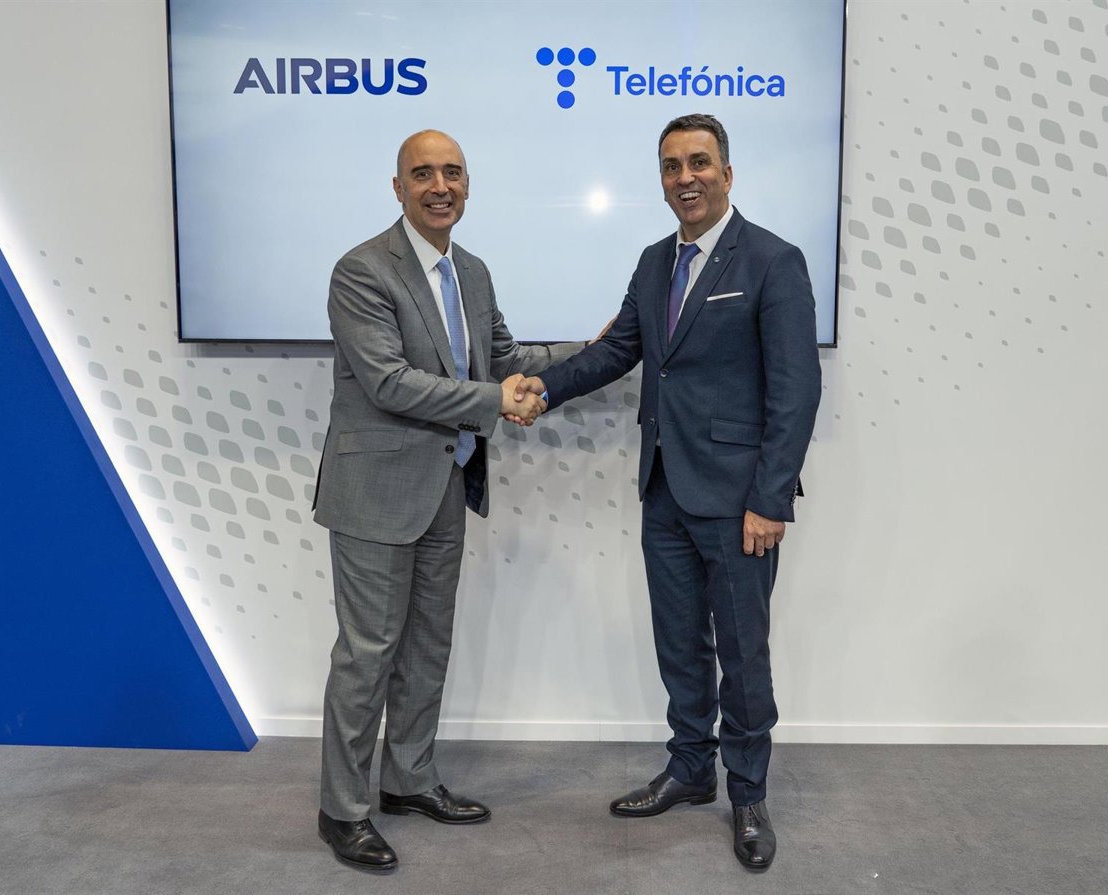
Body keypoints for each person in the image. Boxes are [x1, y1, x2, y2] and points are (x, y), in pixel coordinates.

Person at [516, 114, 821, 871]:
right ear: (660, 180)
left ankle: (747, 793)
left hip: (740, 502)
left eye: (699, 163)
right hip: (664, 490)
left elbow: (796, 391)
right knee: (680, 643)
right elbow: (618, 350)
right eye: (672, 166)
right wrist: (543, 389)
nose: (686, 177)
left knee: (742, 656)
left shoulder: (774, 261)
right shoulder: (656, 263)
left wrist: (771, 499)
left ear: (727, 173)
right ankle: (690, 769)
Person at [311, 129, 581, 872]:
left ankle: (408, 779)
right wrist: (498, 400)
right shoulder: (362, 270)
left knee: (427, 645)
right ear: (397, 187)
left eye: (453, 173)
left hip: (446, 484)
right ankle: (343, 810)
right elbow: (389, 382)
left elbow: (507, 359)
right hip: (375, 493)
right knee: (368, 654)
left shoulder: (473, 272)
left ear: (468, 184)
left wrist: (599, 350)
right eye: (423, 173)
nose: (440, 186)